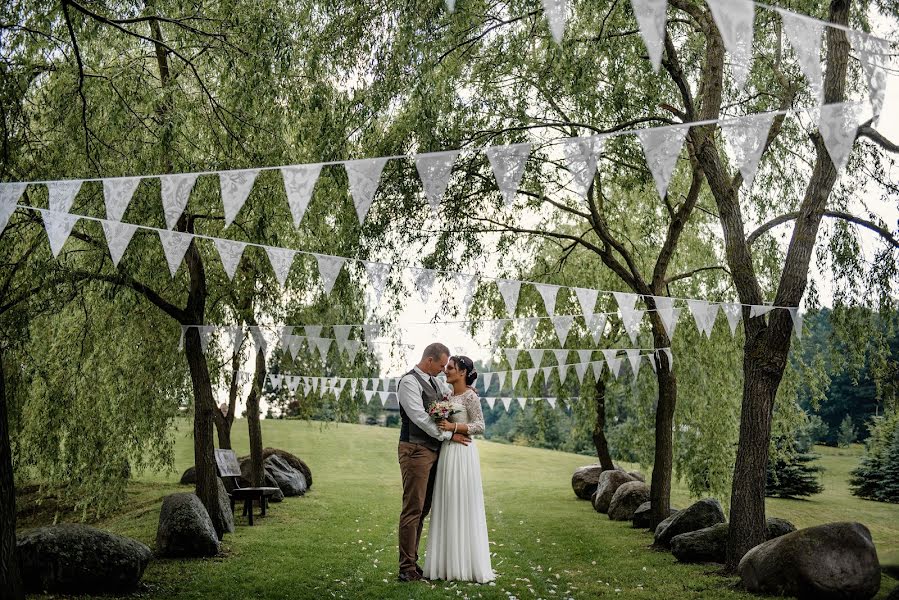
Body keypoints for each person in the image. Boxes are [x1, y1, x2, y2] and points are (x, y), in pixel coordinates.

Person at [396, 342, 470, 583]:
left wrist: (468, 391)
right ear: (429, 361)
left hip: (434, 451)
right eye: (441, 365)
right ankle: (406, 568)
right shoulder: (409, 382)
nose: (443, 370)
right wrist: (448, 435)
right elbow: (418, 417)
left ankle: (412, 563)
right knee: (413, 508)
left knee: (424, 509)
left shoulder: (435, 381)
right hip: (415, 450)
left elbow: (449, 399)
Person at [423, 354, 495, 583]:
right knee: (446, 503)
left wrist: (454, 426)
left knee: (462, 503)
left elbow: (480, 425)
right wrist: (445, 428)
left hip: (463, 454)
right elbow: (438, 424)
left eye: (451, 368)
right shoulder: (447, 395)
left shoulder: (470, 396)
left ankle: (465, 564)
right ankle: (444, 564)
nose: (446, 371)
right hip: (447, 453)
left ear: (463, 372)